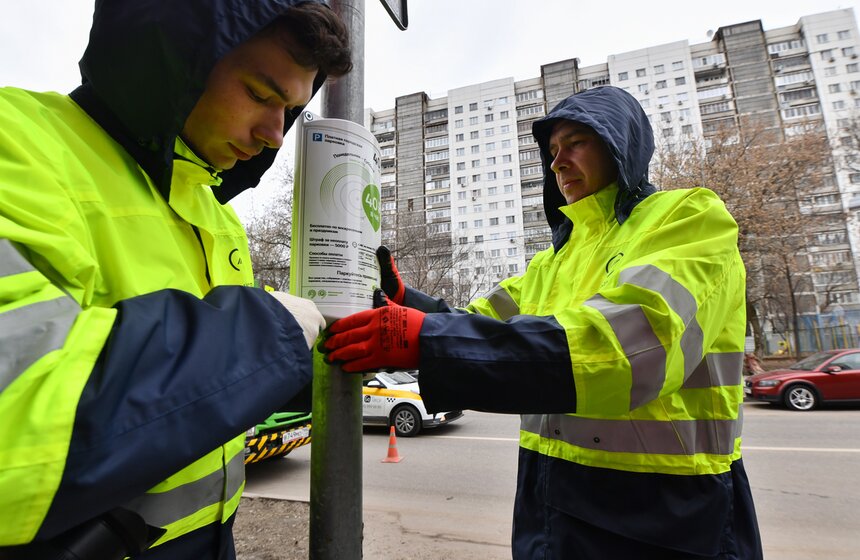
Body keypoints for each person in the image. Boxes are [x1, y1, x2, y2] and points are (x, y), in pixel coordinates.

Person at [323, 86, 763, 559]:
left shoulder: (687, 218)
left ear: (621, 144)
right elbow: (481, 328)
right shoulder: (552, 262)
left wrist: (426, 336)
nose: (557, 162)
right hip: (549, 505)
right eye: (552, 150)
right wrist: (409, 304)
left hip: (665, 519)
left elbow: (625, 353)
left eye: (575, 143)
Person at [0, 1, 351, 558]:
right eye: (261, 95)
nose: (275, 135)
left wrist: (319, 359)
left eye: (290, 110)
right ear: (171, 58)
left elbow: (209, 395)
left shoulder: (217, 215)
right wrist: (268, 332)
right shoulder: (17, 141)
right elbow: (16, 416)